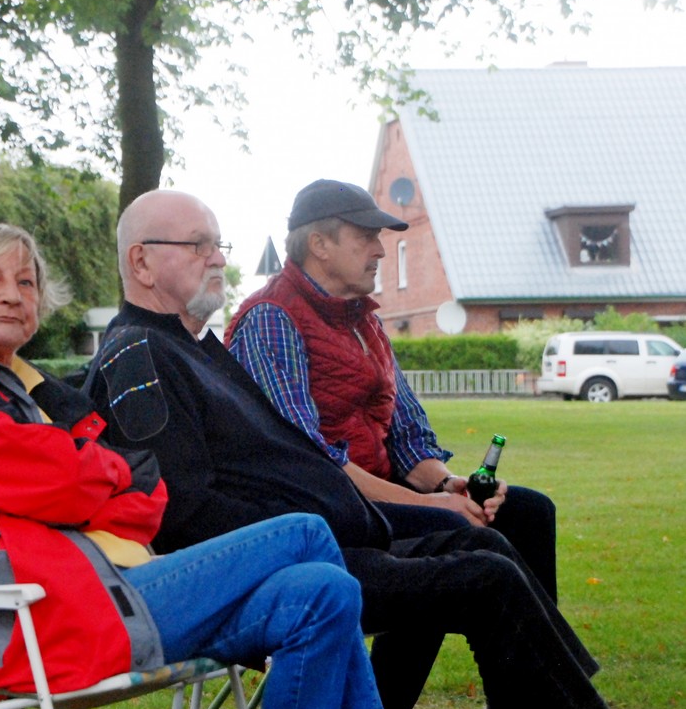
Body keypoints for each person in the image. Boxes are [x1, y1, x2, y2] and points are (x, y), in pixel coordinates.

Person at [86, 190, 608, 709]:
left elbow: (298, 456)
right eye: (198, 245)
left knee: (485, 542)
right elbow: (184, 513)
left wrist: (404, 503)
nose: (219, 258)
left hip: (328, 538)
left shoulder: (195, 347)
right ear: (141, 261)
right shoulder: (141, 355)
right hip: (279, 571)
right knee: (484, 578)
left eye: (218, 244)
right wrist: (311, 531)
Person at [0, 223, 385, 709]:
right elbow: (67, 481)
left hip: (115, 590)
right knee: (305, 533)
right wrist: (91, 479)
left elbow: (146, 494)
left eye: (26, 283)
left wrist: (87, 482)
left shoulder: (33, 392)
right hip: (44, 624)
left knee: (326, 591)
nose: (13, 296)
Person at [225, 179, 558, 599]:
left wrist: (447, 485)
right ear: (319, 244)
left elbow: (407, 435)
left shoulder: (365, 321)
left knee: (529, 512)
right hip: (325, 511)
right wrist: (427, 506)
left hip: (380, 497)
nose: (380, 250)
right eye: (366, 237)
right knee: (456, 534)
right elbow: (311, 462)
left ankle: (539, 665)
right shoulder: (271, 319)